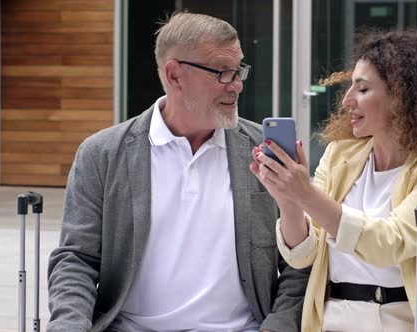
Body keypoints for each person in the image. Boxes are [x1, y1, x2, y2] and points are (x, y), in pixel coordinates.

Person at [46, 12, 309, 332]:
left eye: (238, 70)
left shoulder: (263, 152)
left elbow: (299, 263)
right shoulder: (102, 154)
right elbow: (76, 260)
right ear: (175, 76)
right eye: (223, 73)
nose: (237, 85)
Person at [250, 30, 417, 331]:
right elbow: (303, 256)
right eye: (350, 88)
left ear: (401, 96)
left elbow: (390, 242)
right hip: (334, 319)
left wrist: (306, 195)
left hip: (407, 320)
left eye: (362, 89)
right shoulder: (338, 156)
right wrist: (288, 200)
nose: (347, 101)